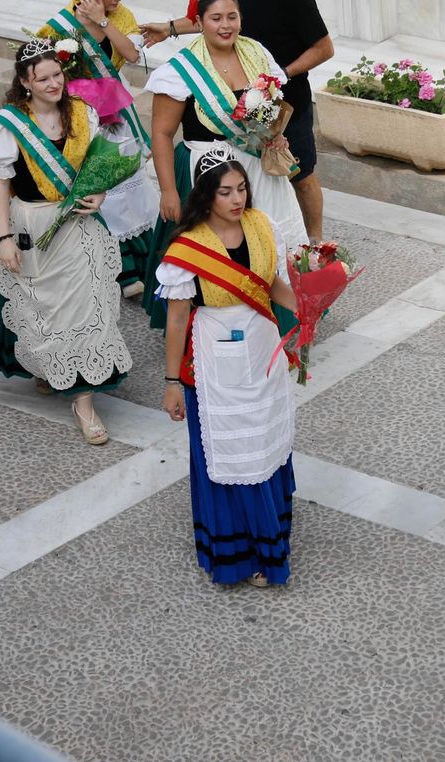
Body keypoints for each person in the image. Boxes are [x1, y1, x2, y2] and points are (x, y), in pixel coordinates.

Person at [0, 40, 133, 447]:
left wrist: (100, 193)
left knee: (84, 309)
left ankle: (84, 403)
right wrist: (4, 238)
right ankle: (51, 367)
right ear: (25, 82)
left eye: (57, 75)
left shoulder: (82, 112)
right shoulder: (9, 124)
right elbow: (0, 184)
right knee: (44, 309)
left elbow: (97, 166)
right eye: (43, 79)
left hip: (79, 226)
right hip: (33, 225)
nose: (54, 84)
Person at [156, 145, 298, 587]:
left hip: (262, 348)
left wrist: (308, 306)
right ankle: (244, 553)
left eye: (241, 189)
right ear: (206, 196)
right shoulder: (188, 248)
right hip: (214, 358)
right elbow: (176, 319)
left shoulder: (261, 225)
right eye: (225, 192)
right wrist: (172, 382)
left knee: (264, 439)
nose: (237, 199)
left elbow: (271, 284)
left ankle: (271, 531)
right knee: (230, 449)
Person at [141, 0, 333, 240]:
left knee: (301, 177)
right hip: (224, 152)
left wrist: (277, 79)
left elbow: (324, 48)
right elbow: (213, 15)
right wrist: (170, 28)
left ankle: (314, 241)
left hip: (285, 104)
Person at [140, 0, 307, 328]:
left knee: (269, 238)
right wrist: (168, 191)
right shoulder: (180, 70)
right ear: (199, 22)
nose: (225, 25)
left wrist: (275, 134)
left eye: (232, 16)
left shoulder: (256, 52)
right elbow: (162, 133)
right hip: (208, 172)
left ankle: (283, 317)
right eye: (216, 18)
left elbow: (272, 107)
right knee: (222, 247)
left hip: (258, 168)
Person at [36, 0, 160, 298]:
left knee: (129, 180)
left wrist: (103, 19)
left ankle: (145, 259)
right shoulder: (60, 24)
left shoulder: (121, 16)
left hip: (116, 106)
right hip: (82, 115)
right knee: (98, 184)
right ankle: (116, 267)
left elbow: (131, 54)